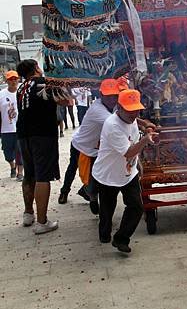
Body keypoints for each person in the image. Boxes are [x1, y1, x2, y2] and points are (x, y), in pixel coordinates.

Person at [92, 89, 156, 253]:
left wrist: (144, 123)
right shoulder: (112, 125)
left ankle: (121, 238)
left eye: (136, 110)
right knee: (107, 209)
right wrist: (145, 140)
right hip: (108, 175)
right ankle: (104, 233)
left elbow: (135, 124)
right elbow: (128, 152)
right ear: (119, 107)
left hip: (128, 174)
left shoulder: (131, 117)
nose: (133, 114)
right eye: (129, 110)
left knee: (136, 207)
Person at [58, 78, 120, 210]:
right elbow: (117, 122)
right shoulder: (97, 108)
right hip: (81, 146)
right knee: (73, 169)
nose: (111, 99)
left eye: (114, 95)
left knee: (98, 173)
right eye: (108, 95)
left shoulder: (116, 107)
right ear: (101, 94)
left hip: (97, 148)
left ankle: (89, 194)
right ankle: (64, 191)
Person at [16, 59, 61, 234]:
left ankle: (29, 213)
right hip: (42, 135)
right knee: (43, 176)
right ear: (35, 68)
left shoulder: (22, 87)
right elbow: (66, 101)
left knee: (30, 174)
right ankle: (42, 222)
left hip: (23, 135)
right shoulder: (44, 83)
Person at [0, 70, 23, 180]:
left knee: (20, 151)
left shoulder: (22, 92)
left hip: (20, 128)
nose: (13, 81)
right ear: (7, 81)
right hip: (5, 129)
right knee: (7, 153)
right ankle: (12, 166)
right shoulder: (2, 94)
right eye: (10, 79)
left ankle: (20, 172)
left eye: (15, 79)